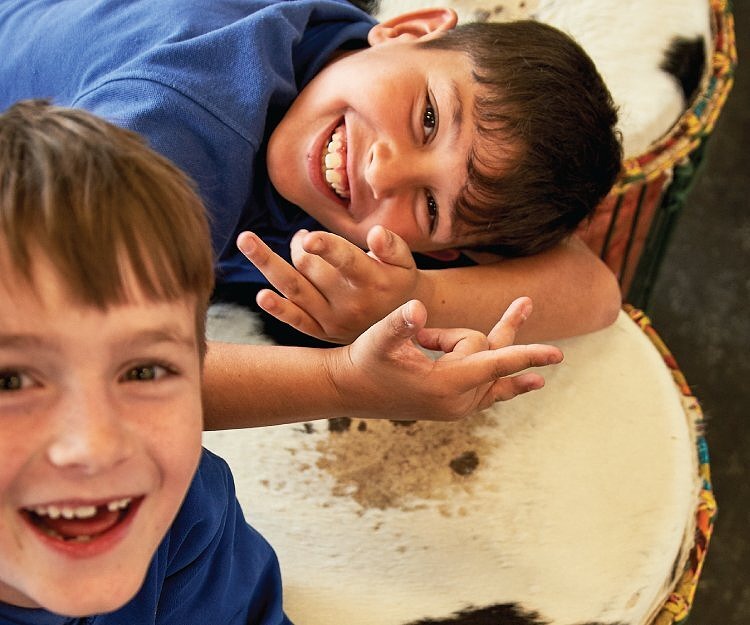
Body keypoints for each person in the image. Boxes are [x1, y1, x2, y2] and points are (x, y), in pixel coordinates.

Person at [0, 99, 563, 621]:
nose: (98, 447)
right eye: (11, 381)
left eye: (144, 371)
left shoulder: (187, 514)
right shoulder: (178, 113)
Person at [0, 0, 623, 350]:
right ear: (407, 28)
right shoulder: (185, 122)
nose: (384, 171)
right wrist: (344, 386)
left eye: (431, 206)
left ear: (450, 248)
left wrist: (413, 296)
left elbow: (594, 293)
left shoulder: (352, 77)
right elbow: (99, 367)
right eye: (429, 117)